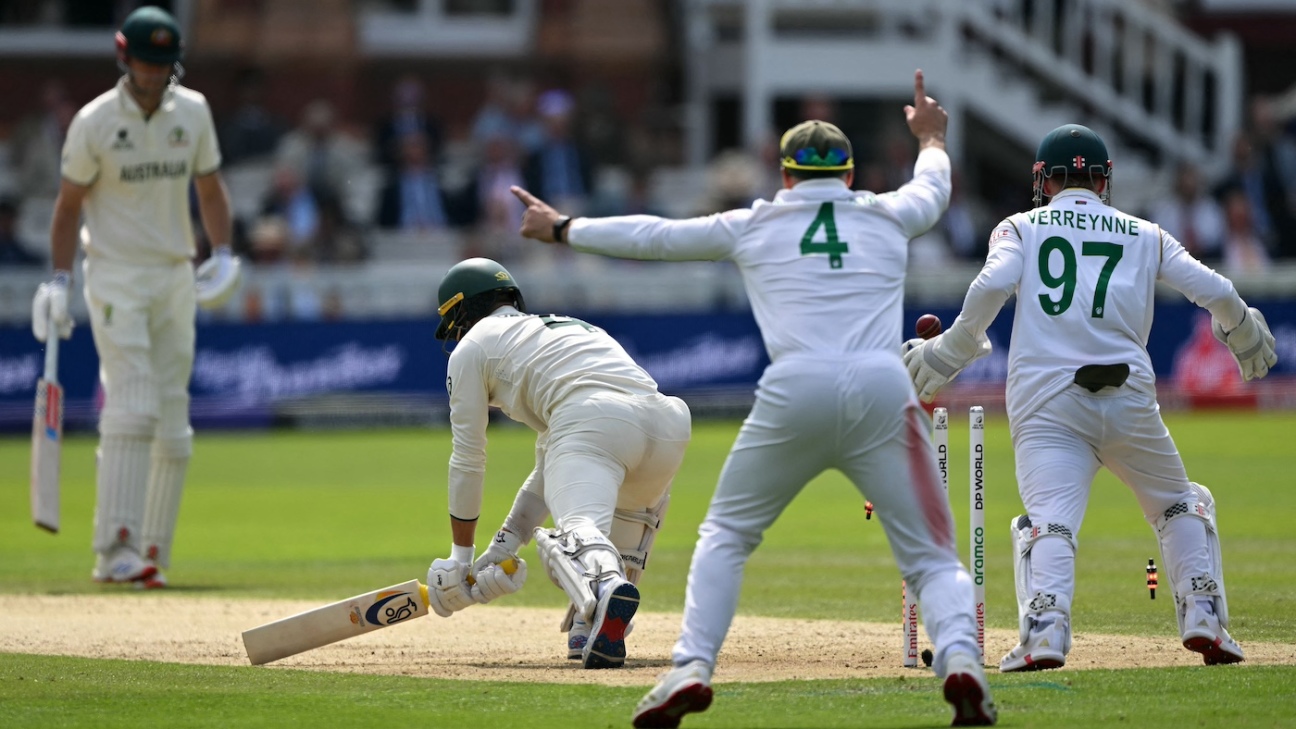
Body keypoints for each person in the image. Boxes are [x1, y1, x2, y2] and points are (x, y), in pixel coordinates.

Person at [512, 70, 997, 728]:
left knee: (727, 537)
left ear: (786, 175)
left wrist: (564, 227)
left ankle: (690, 666)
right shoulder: (889, 212)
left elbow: (657, 238)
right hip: (883, 387)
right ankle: (962, 658)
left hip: (794, 388)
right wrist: (933, 135)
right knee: (932, 555)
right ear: (850, 176)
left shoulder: (758, 221)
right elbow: (934, 187)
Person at [903, 123, 1276, 673]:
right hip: (1130, 396)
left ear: (1043, 180)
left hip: (1049, 402)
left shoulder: (1020, 227)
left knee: (1050, 521)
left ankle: (1046, 632)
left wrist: (947, 354)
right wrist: (1241, 330)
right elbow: (1215, 288)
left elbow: (988, 288)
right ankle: (1204, 617)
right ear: (1103, 181)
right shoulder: (1144, 232)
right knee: (1179, 502)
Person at [30, 6, 242, 588]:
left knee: (173, 417)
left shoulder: (192, 111)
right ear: (126, 60)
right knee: (135, 399)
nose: (153, 77)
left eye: (163, 66)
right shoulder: (94, 121)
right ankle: (113, 548)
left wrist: (221, 252)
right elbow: (68, 206)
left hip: (174, 274)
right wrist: (57, 279)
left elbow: (210, 188)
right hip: (115, 274)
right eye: (145, 65)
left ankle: (152, 548)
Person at [424, 257, 692, 671]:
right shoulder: (564, 330)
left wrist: (461, 559)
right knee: (605, 532)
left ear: (462, 311)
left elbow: (468, 458)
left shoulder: (473, 347)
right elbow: (555, 465)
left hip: (594, 421)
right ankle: (592, 624)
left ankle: (606, 588)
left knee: (572, 536)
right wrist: (503, 547)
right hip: (668, 426)